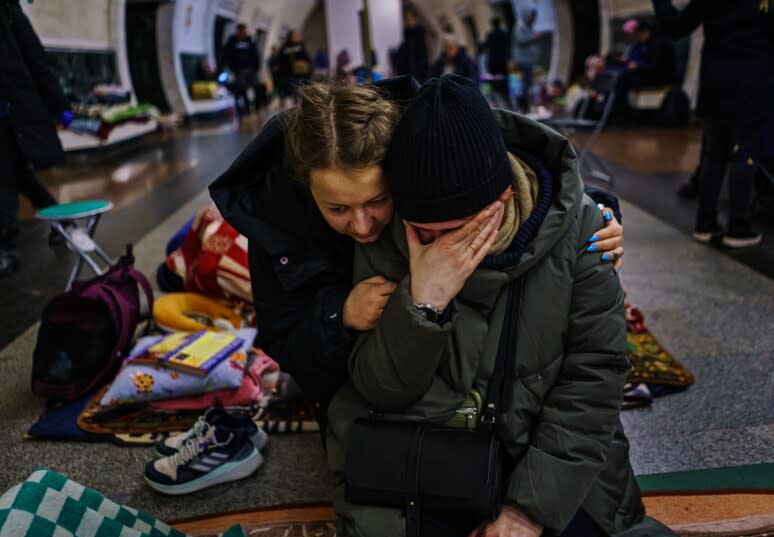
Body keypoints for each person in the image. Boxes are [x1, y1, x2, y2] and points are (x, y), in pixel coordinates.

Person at [325, 75, 693, 537]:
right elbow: (380, 391)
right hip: (426, 458)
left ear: (499, 200)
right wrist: (422, 304)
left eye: (454, 230)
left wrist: (528, 509)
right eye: (423, 233)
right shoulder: (389, 231)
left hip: (544, 458)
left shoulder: (586, 230)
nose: (440, 248)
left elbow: (595, 374)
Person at [209, 78, 625, 439]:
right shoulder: (277, 227)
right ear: (306, 189)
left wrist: (591, 214)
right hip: (343, 377)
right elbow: (284, 344)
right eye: (336, 208)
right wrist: (339, 315)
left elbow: (492, 159)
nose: (362, 226)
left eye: (378, 200)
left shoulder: (422, 130)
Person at [653, 0, 774, 248]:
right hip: (753, 77)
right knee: (744, 154)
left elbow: (675, 26)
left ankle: (705, 223)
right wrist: (771, 59)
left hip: (715, 78)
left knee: (714, 154)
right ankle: (738, 227)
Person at [0, 0, 73, 276]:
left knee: (5, 177)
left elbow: (36, 60)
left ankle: (5, 246)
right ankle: (62, 219)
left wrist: (59, 105)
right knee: (19, 176)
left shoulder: (9, 13)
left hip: (10, 115)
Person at [222, 23, 261, 116]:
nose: (245, 33)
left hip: (251, 69)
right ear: (238, 32)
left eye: (245, 31)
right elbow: (227, 56)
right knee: (240, 89)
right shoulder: (232, 42)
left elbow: (256, 56)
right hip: (239, 70)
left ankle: (256, 107)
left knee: (257, 87)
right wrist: (232, 68)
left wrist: (256, 68)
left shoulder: (250, 42)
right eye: (243, 31)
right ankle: (243, 108)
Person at [271, 30, 312, 108]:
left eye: (297, 36)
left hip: (301, 73)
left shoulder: (301, 46)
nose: (295, 38)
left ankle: (298, 106)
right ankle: (293, 108)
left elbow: (307, 59)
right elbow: (280, 60)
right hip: (288, 74)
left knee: (299, 91)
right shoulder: (285, 47)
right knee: (292, 91)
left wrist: (309, 70)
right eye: (294, 36)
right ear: (289, 37)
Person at [512, 7, 542, 113]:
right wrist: (534, 37)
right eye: (532, 16)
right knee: (524, 85)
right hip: (523, 62)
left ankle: (527, 106)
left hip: (529, 61)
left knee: (529, 84)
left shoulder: (529, 28)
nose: (533, 19)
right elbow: (521, 40)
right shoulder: (520, 27)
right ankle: (523, 107)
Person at [396, 6, 429, 84]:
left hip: (418, 75)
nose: (407, 22)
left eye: (409, 19)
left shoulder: (420, 34)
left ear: (415, 19)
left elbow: (422, 56)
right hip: (409, 74)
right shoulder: (407, 35)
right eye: (406, 19)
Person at [483, 18, 510, 96]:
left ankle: (498, 93)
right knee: (504, 78)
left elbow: (487, 48)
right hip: (502, 59)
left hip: (493, 60)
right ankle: (504, 93)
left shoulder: (489, 35)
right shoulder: (503, 34)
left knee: (495, 79)